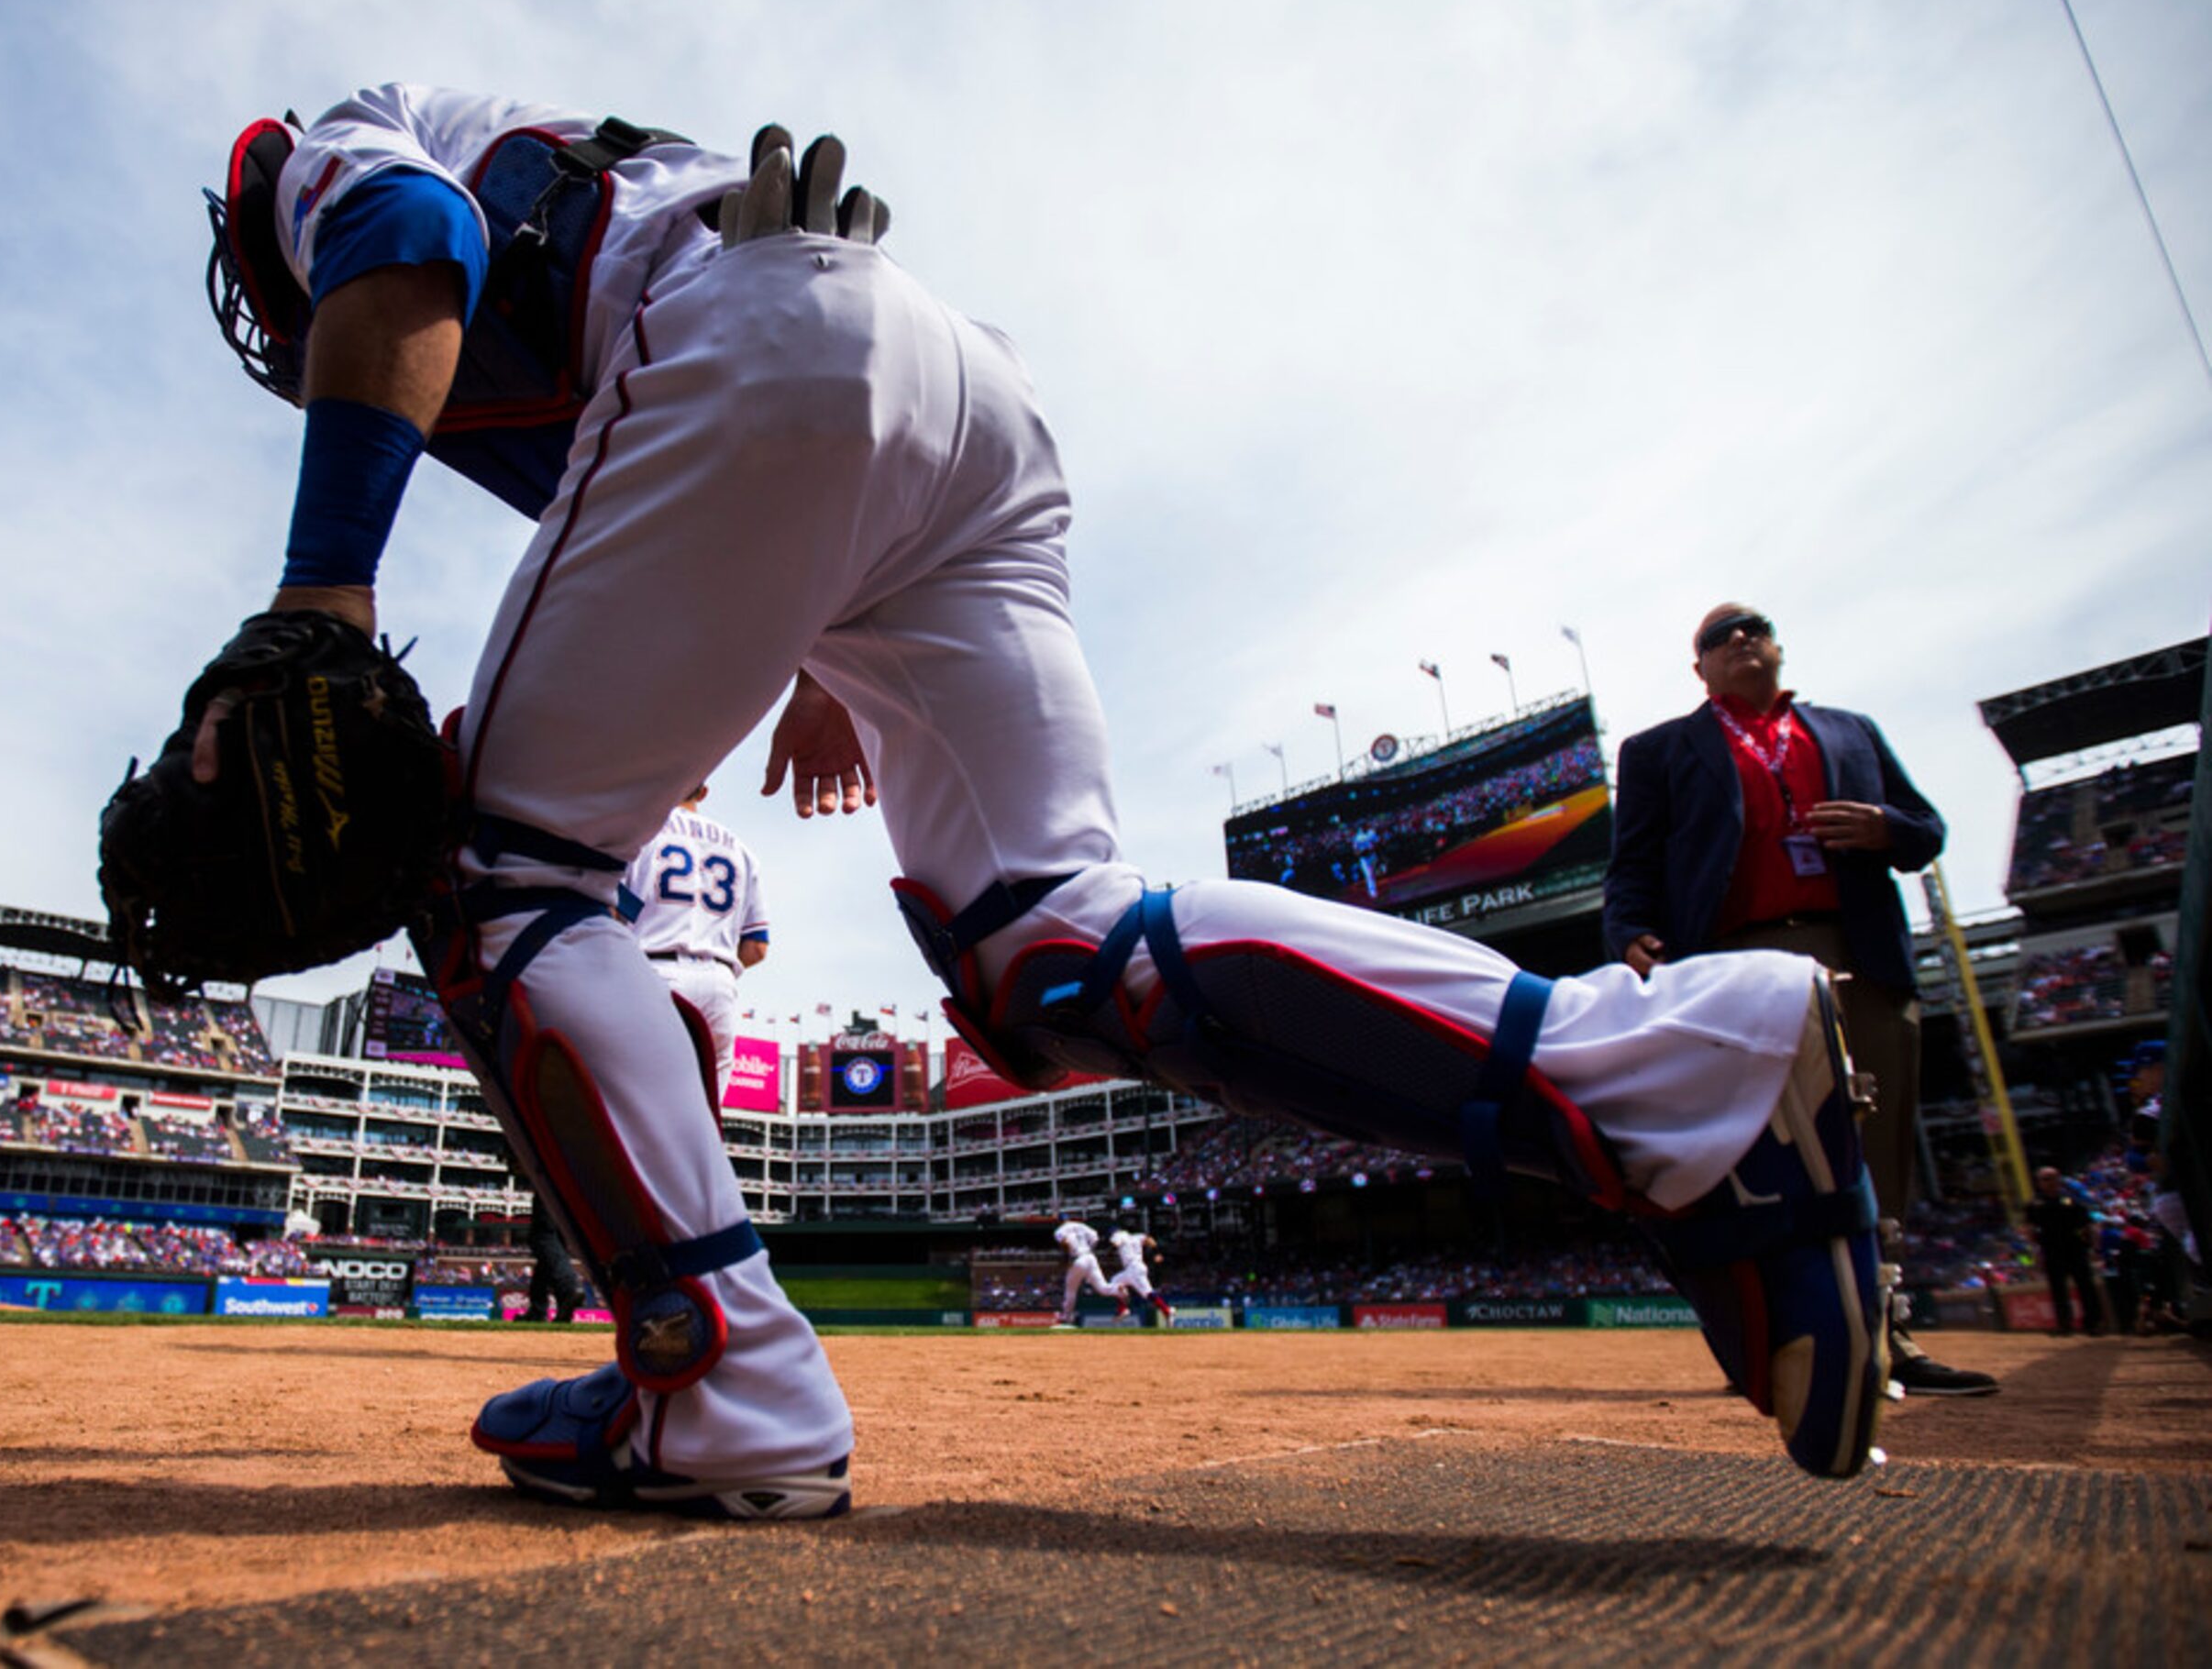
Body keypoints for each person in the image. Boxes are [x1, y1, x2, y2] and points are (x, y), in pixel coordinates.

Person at [194, 83, 1893, 1514]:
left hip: (763, 340)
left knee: (498, 875)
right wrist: (803, 635)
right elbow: (703, 449)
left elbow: (403, 229)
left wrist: (318, 598)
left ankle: (717, 1383)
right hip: (951, 400)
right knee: (1054, 946)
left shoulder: (320, 150)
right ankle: (1680, 1066)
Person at [1603, 603, 1998, 1401]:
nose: (1738, 639)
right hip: (1733, 960)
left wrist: (1888, 828)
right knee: (1745, 1151)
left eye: (1753, 627)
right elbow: (1633, 861)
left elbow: (1927, 831)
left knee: (1874, 1142)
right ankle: (1766, 1337)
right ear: (1700, 668)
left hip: (1854, 947)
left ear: (1778, 648)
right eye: (1718, 637)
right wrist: (1630, 933)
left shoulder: (1849, 731)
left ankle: (1886, 1332)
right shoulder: (1659, 750)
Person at [621, 783, 769, 1100]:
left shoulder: (639, 834)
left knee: (643, 1105)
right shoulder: (740, 849)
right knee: (704, 1119)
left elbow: (615, 912)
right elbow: (757, 946)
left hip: (654, 972)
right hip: (720, 986)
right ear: (702, 793)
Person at [2026, 1166, 2104, 1337]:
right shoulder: (2034, 1205)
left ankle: (2093, 1323)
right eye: (2045, 1179)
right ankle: (2064, 1324)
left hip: (2075, 1248)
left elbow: (2088, 1225)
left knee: (2086, 1286)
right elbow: (2030, 1231)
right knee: (2058, 1290)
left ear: (2059, 1179)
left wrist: (2093, 1248)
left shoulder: (2072, 1201)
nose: (2050, 1182)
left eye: (2052, 1178)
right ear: (2039, 1183)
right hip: (2051, 1250)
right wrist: (2036, 1253)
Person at [521, 1193, 585, 1323]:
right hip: (570, 1194)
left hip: (550, 1188)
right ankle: (538, 1310)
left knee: (543, 1238)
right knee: (553, 1247)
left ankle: (569, 1287)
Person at [1050, 1215, 1123, 1328]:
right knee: (1103, 1288)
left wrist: (1067, 1257)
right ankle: (1118, 1288)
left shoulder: (1060, 1230)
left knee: (1070, 1290)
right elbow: (1095, 1238)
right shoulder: (1082, 1226)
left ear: (1059, 1221)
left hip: (1078, 1259)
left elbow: (1064, 1242)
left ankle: (1066, 1318)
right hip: (1090, 1257)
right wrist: (1088, 1248)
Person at [1109, 1225, 1171, 1326]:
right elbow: (1150, 1240)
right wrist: (1157, 1252)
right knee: (1115, 1281)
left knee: (1147, 1293)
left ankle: (1167, 1310)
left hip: (1133, 1269)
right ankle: (1123, 1309)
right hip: (1137, 1267)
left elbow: (1115, 1243)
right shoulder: (1136, 1237)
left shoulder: (1119, 1235)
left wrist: (1111, 1248)